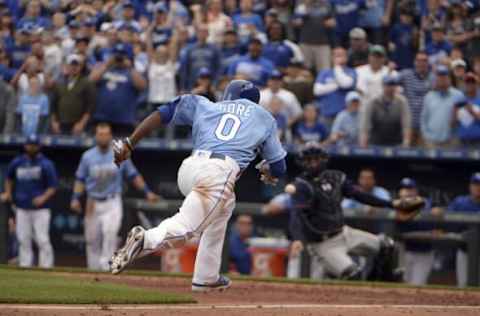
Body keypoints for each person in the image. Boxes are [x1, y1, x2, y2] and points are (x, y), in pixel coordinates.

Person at [110, 79, 287, 292]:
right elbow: (279, 166)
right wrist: (268, 170)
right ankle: (146, 239)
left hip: (190, 168)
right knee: (187, 228)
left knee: (225, 206)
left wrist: (130, 142)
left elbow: (164, 112)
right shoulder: (263, 116)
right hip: (218, 173)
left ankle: (206, 277)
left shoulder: (206, 104)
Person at [287, 142, 415, 281]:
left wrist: (392, 204)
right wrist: (297, 239)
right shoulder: (301, 186)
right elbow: (296, 215)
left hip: (344, 233)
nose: (313, 163)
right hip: (323, 244)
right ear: (302, 162)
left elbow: (359, 195)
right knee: (353, 274)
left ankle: (380, 282)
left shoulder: (335, 177)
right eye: (309, 160)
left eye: (316, 159)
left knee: (387, 245)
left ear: (323, 159)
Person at [71, 123, 159, 271]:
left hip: (112, 201)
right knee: (92, 241)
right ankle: (92, 272)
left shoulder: (118, 153)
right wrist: (75, 198)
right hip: (92, 202)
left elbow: (133, 175)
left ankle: (106, 270)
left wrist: (147, 192)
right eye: (100, 134)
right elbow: (80, 179)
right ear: (96, 136)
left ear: (110, 136)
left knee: (110, 235)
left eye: (106, 134)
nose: (103, 137)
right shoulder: (88, 156)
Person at [0, 135, 57, 268]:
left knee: (42, 239)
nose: (31, 147)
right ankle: (25, 265)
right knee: (23, 239)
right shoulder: (17, 162)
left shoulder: (46, 164)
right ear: (25, 146)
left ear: (38, 146)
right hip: (22, 208)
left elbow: (53, 186)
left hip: (41, 209)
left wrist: (43, 197)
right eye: (29, 145)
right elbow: (9, 178)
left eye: (34, 145)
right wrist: (8, 192)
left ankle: (46, 267)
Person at [89, 43, 147, 136]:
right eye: (116, 54)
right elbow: (91, 80)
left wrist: (130, 67)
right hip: (102, 118)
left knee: (121, 149)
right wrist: (107, 64)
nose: (119, 58)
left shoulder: (133, 72)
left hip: (124, 121)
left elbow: (142, 86)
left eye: (122, 55)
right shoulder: (104, 68)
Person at [395, 178, 440, 286]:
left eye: (410, 189)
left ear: (416, 190)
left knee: (417, 285)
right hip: (404, 251)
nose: (407, 192)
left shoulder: (426, 203)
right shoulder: (396, 204)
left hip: (424, 251)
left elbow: (439, 216)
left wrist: (438, 211)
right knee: (402, 285)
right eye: (404, 189)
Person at [359, 74, 412, 147]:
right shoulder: (373, 101)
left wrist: (406, 141)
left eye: (393, 85)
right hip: (376, 141)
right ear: (383, 86)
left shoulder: (402, 102)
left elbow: (406, 124)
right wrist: (363, 143)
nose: (391, 87)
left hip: (396, 140)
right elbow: (366, 124)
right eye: (388, 85)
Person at [447, 173, 480, 288]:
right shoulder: (460, 202)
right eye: (475, 184)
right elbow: (447, 220)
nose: (478, 187)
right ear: (470, 186)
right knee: (463, 286)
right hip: (464, 250)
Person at [50, 54, 95, 135]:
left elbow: (90, 107)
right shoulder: (59, 83)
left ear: (81, 67)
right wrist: (54, 122)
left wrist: (81, 124)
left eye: (77, 65)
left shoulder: (87, 83)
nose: (74, 67)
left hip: (78, 125)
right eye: (72, 65)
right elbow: (53, 105)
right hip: (61, 124)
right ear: (67, 66)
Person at [421, 65, 464, 148]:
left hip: (452, 142)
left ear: (449, 78)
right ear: (435, 79)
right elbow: (423, 120)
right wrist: (426, 137)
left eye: (444, 76)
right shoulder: (429, 96)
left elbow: (462, 120)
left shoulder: (458, 95)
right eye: (439, 76)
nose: (442, 79)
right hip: (432, 142)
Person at [314, 47, 356, 127]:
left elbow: (346, 84)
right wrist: (337, 85)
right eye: (336, 56)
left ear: (346, 57)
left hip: (345, 114)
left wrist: (337, 67)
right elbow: (317, 90)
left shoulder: (351, 71)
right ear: (332, 58)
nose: (338, 58)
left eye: (341, 55)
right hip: (326, 113)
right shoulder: (324, 72)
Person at [292, 0, 335, 73]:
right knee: (305, 71)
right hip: (305, 43)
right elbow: (295, 22)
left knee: (325, 71)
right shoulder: (301, 4)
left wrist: (330, 22)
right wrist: (306, 7)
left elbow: (333, 21)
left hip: (323, 44)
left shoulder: (326, 3)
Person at [399, 52, 433, 143]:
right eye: (419, 60)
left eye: (424, 61)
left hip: (426, 126)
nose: (421, 63)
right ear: (414, 62)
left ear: (428, 63)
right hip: (409, 125)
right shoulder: (405, 75)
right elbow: (391, 83)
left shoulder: (433, 78)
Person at [179, 24, 220, 92]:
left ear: (208, 34)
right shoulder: (189, 49)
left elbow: (218, 68)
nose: (202, 34)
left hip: (209, 85)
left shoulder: (214, 49)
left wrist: (215, 84)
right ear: (197, 33)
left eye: (205, 32)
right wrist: (183, 87)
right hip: (192, 84)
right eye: (200, 32)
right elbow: (184, 69)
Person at [454, 74, 480, 146]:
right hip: (462, 141)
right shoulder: (459, 100)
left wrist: (471, 111)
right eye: (467, 82)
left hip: (478, 141)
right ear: (464, 85)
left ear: (477, 84)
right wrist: (454, 113)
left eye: (472, 82)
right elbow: (453, 123)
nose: (470, 84)